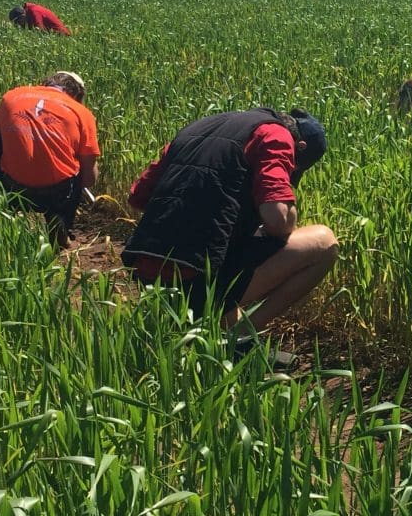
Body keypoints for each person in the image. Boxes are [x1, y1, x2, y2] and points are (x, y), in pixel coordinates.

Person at [121, 108, 339, 347]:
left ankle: (211, 332)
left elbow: (138, 199)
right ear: (300, 146)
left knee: (233, 247)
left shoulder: (198, 128)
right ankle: (239, 337)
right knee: (324, 242)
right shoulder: (276, 135)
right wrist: (287, 213)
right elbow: (277, 220)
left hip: (147, 276)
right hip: (194, 280)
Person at [0, 71, 100, 248]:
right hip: (57, 193)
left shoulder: (12, 96)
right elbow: (90, 178)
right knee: (81, 163)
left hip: (13, 186)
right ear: (77, 95)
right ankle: (60, 219)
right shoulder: (82, 112)